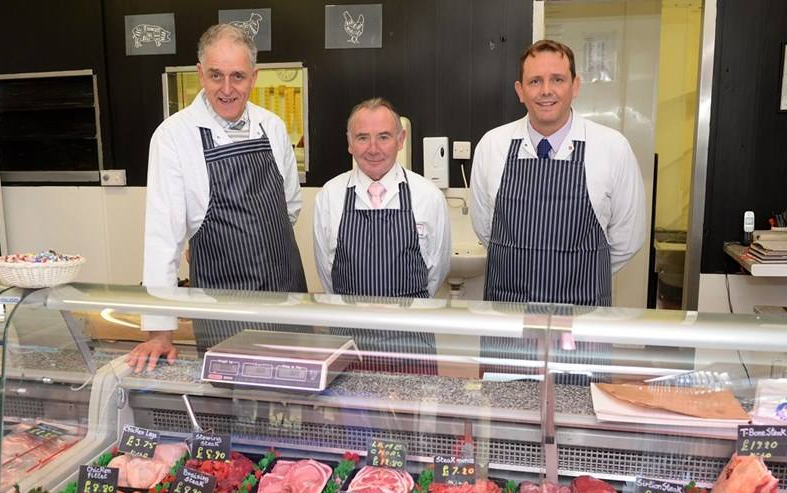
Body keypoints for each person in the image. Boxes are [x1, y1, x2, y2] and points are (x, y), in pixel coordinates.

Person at [127, 24, 306, 373]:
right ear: (199, 74)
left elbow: (289, 207)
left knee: (294, 404)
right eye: (216, 75)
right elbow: (163, 239)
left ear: (254, 77)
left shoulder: (272, 126)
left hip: (287, 298)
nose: (227, 89)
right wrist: (160, 330)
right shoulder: (174, 136)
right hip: (223, 308)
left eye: (237, 76)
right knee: (230, 407)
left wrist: (258, 243)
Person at [470, 39, 646, 306]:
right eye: (535, 81)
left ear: (575, 86)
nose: (546, 91)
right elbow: (485, 229)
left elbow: (628, 239)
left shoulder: (613, 148)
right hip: (507, 313)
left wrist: (585, 273)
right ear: (520, 90)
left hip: (583, 313)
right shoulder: (492, 146)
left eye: (558, 80)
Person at [313, 98, 451, 373]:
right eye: (363, 138)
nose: (373, 149)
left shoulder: (428, 196)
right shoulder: (329, 196)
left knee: (413, 415)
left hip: (412, 343)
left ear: (401, 139)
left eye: (384, 137)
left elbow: (436, 270)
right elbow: (327, 273)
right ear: (349, 142)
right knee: (349, 416)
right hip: (349, 342)